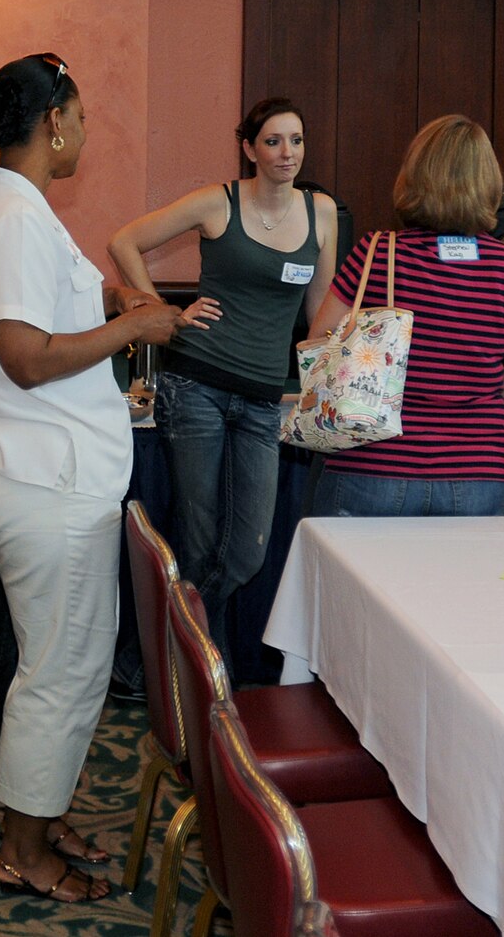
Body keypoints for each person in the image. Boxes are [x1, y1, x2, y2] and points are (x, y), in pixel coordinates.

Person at [0, 52, 202, 904]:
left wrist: (120, 300)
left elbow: (62, 301)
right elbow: (24, 355)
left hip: (40, 468)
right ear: (53, 120)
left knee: (58, 661)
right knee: (62, 668)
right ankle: (22, 847)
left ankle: (37, 814)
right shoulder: (13, 218)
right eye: (83, 114)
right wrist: (139, 324)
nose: (87, 130)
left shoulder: (14, 207)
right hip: (40, 476)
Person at [108, 97, 337, 658]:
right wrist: (161, 312)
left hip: (262, 400)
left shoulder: (322, 212)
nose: (288, 153)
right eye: (274, 141)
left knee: (246, 552)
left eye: (297, 140)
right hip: (196, 388)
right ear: (250, 148)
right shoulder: (219, 202)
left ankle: (162, 661)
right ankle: (198, 677)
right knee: (200, 539)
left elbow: (319, 317)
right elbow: (124, 242)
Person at [304, 115, 504, 519]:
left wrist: (394, 373)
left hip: (373, 466)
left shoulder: (377, 254)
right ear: (489, 183)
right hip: (477, 475)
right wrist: (475, 379)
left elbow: (320, 347)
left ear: (414, 177)